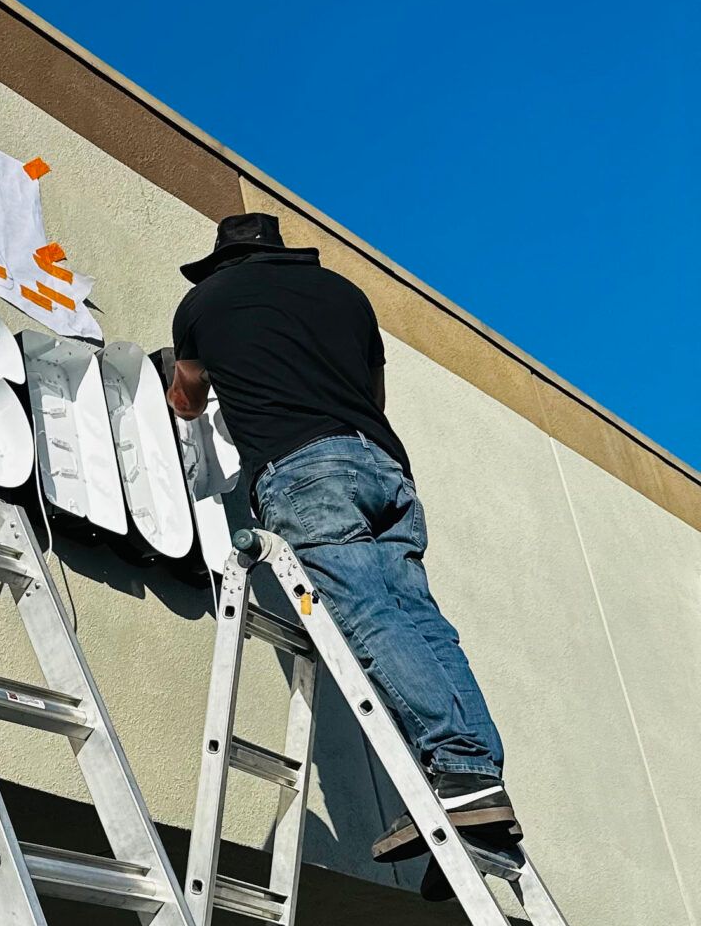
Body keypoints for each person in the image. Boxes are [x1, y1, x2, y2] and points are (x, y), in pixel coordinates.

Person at [164, 211, 522, 866]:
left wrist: (197, 386)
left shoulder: (202, 303)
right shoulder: (347, 297)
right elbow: (372, 396)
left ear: (221, 264)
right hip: (384, 469)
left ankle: (461, 777)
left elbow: (187, 397)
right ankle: (478, 775)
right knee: (422, 621)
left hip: (304, 471)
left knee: (369, 617)